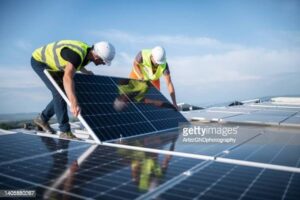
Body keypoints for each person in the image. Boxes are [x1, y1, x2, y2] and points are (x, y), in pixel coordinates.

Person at [31, 40, 115, 139]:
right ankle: (65, 131)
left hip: (52, 64)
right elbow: (67, 77)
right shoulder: (77, 55)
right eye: (103, 61)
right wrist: (74, 103)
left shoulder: (88, 54)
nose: (103, 64)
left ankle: (42, 118)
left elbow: (76, 63)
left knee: (66, 92)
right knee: (59, 92)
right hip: (40, 61)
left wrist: (85, 71)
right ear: (97, 55)